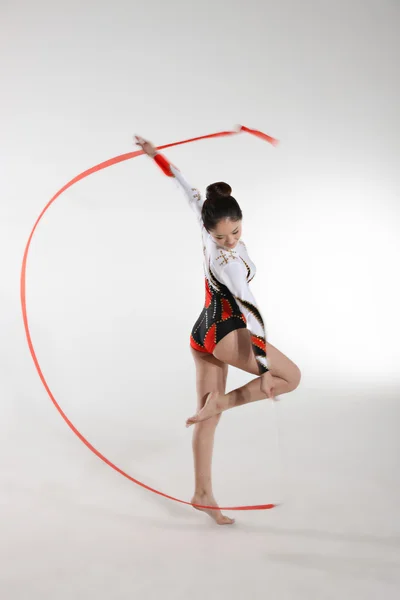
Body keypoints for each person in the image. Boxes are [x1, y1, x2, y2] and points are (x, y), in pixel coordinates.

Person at [134, 135, 301, 525]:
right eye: (220, 236)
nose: (228, 241)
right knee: (289, 377)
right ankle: (221, 402)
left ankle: (203, 494)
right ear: (209, 230)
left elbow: (184, 187)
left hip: (202, 332)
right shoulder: (225, 260)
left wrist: (156, 155)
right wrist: (261, 364)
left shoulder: (205, 214)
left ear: (239, 221)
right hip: (226, 332)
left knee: (206, 418)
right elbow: (250, 309)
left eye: (235, 233)